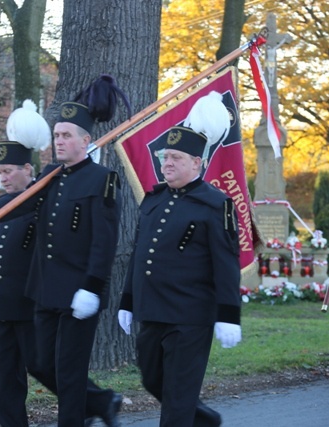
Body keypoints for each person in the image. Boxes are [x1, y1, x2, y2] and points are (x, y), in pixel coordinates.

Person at [0, 75, 130, 427]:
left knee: (69, 375)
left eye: (67, 135)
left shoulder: (102, 180)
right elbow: (19, 204)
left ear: (86, 141)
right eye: (56, 135)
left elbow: (104, 242)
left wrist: (92, 287)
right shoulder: (52, 175)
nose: (59, 141)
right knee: (40, 362)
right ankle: (100, 404)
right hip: (43, 293)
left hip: (77, 294)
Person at [118, 91, 242, 427]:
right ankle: (201, 418)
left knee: (176, 400)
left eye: (175, 158)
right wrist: (128, 300)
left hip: (190, 317)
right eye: (165, 156)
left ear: (197, 163)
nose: (166, 163)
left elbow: (227, 264)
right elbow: (139, 254)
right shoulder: (154, 200)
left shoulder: (216, 204)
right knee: (153, 380)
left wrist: (229, 315)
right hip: (152, 312)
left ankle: (187, 415)